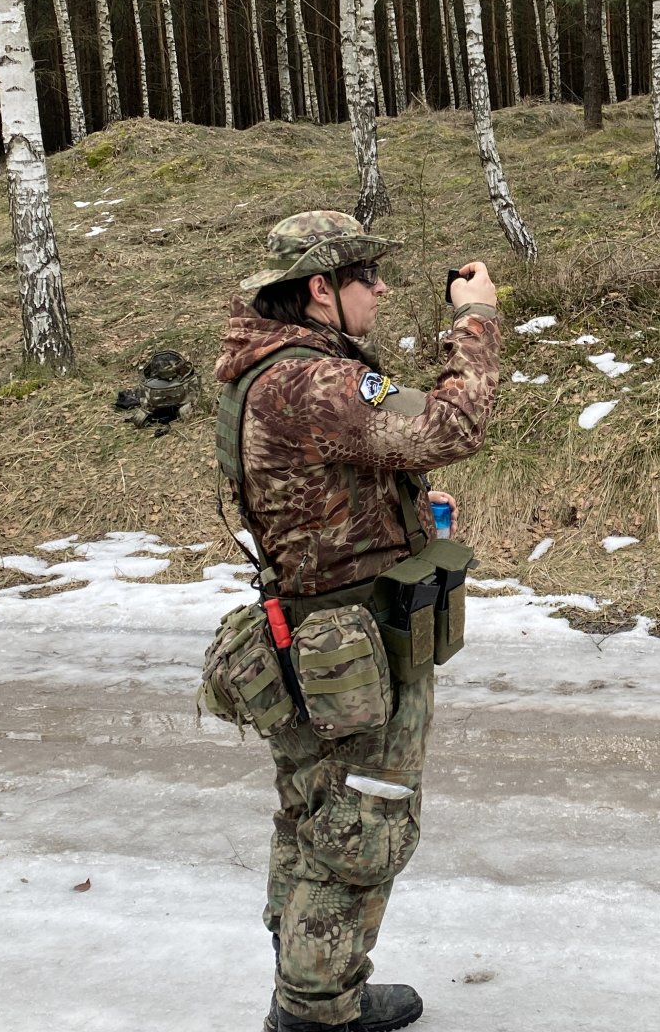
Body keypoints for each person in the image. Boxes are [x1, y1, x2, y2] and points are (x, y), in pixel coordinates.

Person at [213, 210, 502, 1032]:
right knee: (363, 821)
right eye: (366, 277)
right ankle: (316, 1012)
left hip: (311, 634)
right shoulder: (310, 380)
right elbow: (452, 424)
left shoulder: (270, 369)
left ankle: (315, 984)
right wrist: (476, 320)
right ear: (320, 288)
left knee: (315, 811)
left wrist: (398, 503)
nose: (380, 289)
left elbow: (317, 486)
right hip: (351, 650)